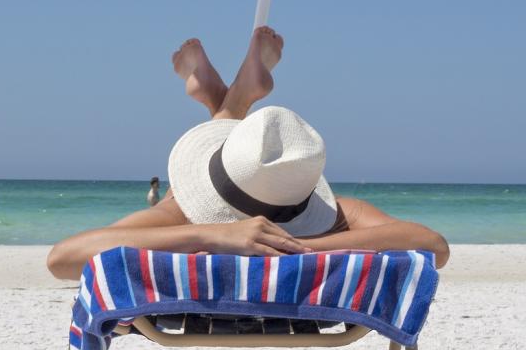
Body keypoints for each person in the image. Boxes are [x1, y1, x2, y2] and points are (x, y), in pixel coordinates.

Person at [48, 27, 449, 281]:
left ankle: (232, 102)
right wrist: (302, 245)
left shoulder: (181, 213)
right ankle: (231, 99)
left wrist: (211, 235)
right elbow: (433, 244)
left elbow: (63, 258)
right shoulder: (341, 217)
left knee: (181, 191)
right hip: (303, 237)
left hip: (196, 233)